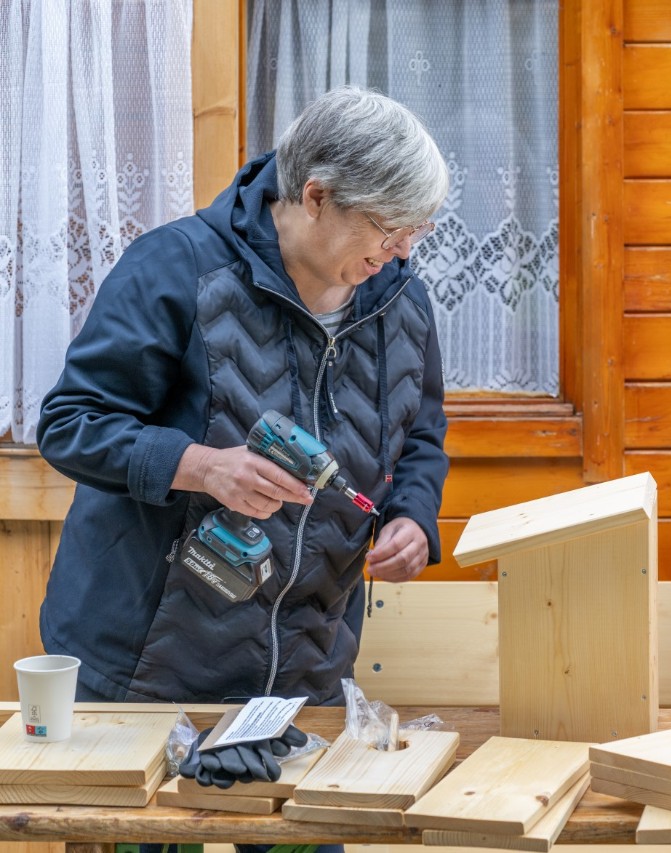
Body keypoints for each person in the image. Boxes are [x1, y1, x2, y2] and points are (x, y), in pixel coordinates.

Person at [37, 85, 450, 709]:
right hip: (144, 669)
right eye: (388, 227)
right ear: (316, 196)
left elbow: (419, 435)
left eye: (416, 230)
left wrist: (412, 516)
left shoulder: (401, 301)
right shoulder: (176, 268)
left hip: (307, 674)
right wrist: (201, 467)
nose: (403, 251)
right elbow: (72, 423)